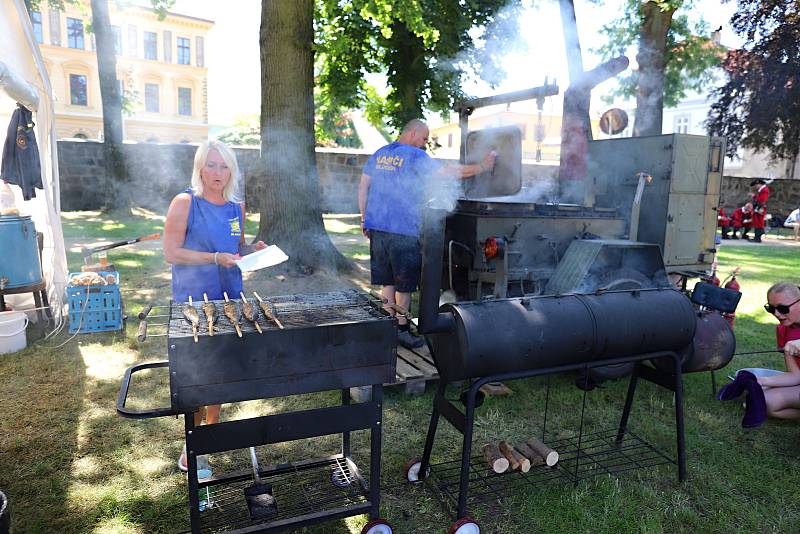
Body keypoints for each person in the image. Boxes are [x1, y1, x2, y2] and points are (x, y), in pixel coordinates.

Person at [163, 140, 266, 471]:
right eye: (211, 165)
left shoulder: (237, 207)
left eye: (224, 166)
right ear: (199, 168)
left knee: (220, 372)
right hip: (195, 300)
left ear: (232, 170)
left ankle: (209, 433)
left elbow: (233, 248)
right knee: (197, 377)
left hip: (230, 299)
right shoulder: (185, 202)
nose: (217, 173)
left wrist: (251, 249)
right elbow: (172, 252)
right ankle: (192, 446)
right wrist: (213, 258)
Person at [358, 119, 496, 349]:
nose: (424, 144)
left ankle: (387, 328)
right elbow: (448, 172)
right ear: (412, 133)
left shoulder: (380, 154)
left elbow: (363, 187)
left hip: (378, 228)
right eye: (423, 138)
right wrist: (482, 167)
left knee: (387, 281)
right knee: (404, 286)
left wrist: (364, 218)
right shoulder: (414, 155)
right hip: (402, 230)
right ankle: (402, 330)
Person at [756, 282, 800, 419]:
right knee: (764, 401)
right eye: (771, 308)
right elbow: (795, 375)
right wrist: (762, 381)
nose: (776, 314)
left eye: (782, 308)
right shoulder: (782, 330)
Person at [749, 178, 770, 242]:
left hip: (760, 208)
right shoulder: (761, 190)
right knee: (756, 222)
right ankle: (756, 237)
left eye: (756, 185)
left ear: (759, 184)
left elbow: (762, 200)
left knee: (759, 223)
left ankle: (758, 238)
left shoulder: (764, 190)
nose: (756, 186)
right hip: (758, 208)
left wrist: (754, 197)